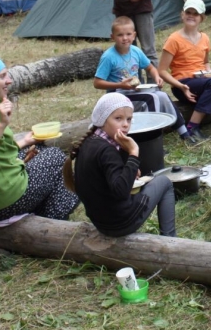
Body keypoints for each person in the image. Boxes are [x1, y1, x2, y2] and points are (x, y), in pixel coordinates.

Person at [0, 54, 79, 223]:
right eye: (2, 76)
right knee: (59, 159)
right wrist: (1, 125)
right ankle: (49, 221)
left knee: (40, 150)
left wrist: (22, 142)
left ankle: (40, 212)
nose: (9, 81)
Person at [66, 93, 176, 237]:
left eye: (129, 119)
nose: (125, 124)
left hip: (101, 223)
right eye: (118, 118)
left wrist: (128, 169)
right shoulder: (106, 151)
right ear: (102, 120)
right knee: (165, 182)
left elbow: (106, 178)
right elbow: (121, 191)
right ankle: (170, 240)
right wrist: (133, 152)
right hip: (120, 224)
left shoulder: (90, 143)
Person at [94, 16, 195, 143]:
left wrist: (157, 77)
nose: (125, 38)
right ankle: (153, 140)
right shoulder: (109, 57)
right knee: (151, 98)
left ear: (134, 35)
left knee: (162, 95)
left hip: (134, 91)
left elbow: (150, 68)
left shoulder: (136, 51)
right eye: (120, 35)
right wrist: (120, 84)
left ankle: (184, 133)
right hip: (117, 96)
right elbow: (97, 83)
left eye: (128, 34)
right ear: (112, 36)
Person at [158, 0, 211, 142]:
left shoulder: (205, 37)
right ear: (182, 14)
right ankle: (192, 127)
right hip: (183, 84)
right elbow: (161, 71)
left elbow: (205, 63)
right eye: (189, 12)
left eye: (195, 14)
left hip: (201, 80)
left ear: (202, 18)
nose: (191, 16)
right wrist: (181, 86)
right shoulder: (174, 39)